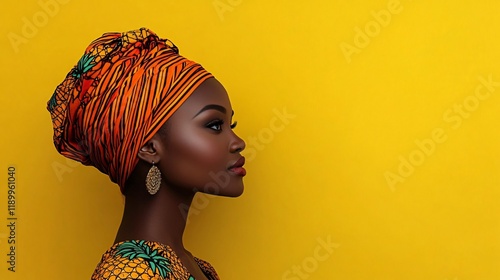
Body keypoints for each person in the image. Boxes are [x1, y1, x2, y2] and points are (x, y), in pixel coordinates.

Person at [47, 28, 246, 280]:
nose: (238, 142)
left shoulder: (192, 265)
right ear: (149, 147)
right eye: (214, 125)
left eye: (232, 125)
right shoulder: (130, 275)